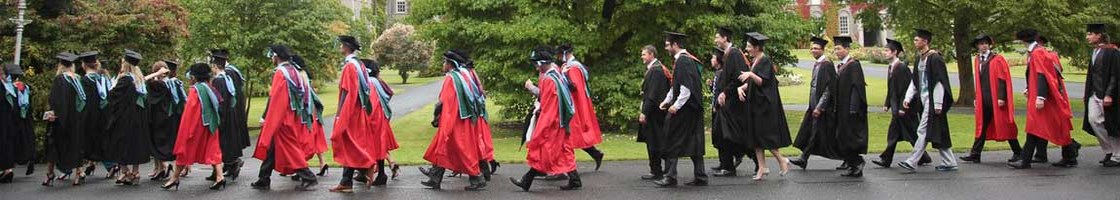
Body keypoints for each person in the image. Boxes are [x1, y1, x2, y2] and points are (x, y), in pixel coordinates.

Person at [510, 46, 581, 191]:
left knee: (544, 151)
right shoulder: (557, 74)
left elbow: (549, 107)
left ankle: (526, 181)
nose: (536, 68)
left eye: (536, 64)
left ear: (542, 63)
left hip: (553, 123)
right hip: (562, 121)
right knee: (563, 151)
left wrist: (541, 128)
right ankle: (575, 180)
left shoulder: (549, 79)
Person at [1009, 29, 1081, 169]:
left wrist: (1040, 96)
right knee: (1048, 125)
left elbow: (1042, 75)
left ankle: (1026, 160)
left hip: (1044, 97)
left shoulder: (1038, 53)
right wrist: (1030, 88)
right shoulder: (1038, 52)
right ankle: (1070, 154)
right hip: (1043, 95)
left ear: (1023, 41)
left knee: (1037, 126)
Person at [251, 45, 318, 190]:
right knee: (272, 148)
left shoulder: (281, 74)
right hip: (291, 115)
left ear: (276, 56)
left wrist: (270, 120)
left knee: (290, 148)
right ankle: (263, 178)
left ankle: (308, 176)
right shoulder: (293, 70)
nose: (271, 58)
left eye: (271, 55)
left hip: (282, 118)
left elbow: (277, 99)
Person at [419, 49, 486, 191]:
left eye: (445, 62)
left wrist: (439, 119)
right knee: (443, 147)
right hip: (465, 118)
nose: (443, 64)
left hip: (455, 120)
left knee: (460, 149)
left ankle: (477, 177)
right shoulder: (464, 75)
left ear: (450, 64)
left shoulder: (451, 78)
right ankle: (435, 178)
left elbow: (444, 102)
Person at [329, 35, 385, 193]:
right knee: (351, 144)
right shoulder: (359, 64)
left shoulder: (349, 66)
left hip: (350, 111)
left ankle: (367, 163)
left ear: (346, 47)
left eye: (341, 45)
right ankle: (346, 181)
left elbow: (346, 91)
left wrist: (340, 113)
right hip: (359, 110)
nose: (340, 47)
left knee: (348, 142)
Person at [898, 29, 958, 173]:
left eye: (917, 40)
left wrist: (938, 104)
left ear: (925, 41)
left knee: (923, 129)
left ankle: (912, 161)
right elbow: (915, 81)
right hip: (924, 100)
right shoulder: (919, 58)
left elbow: (939, 82)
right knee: (939, 131)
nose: (915, 42)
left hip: (933, 100)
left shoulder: (935, 58)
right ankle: (950, 162)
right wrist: (908, 97)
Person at [735, 32, 792, 180]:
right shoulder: (756, 61)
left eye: (749, 46)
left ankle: (782, 160)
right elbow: (754, 82)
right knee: (755, 138)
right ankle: (762, 168)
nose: (746, 49)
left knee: (767, 136)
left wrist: (750, 75)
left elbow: (763, 82)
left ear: (757, 47)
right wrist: (742, 88)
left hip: (765, 107)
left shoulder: (765, 61)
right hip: (755, 105)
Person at [162, 63, 227, 190]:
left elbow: (190, 112)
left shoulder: (195, 90)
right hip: (211, 124)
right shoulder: (209, 87)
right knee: (213, 150)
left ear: (194, 76)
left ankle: (174, 178)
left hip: (198, 126)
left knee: (184, 150)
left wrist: (186, 131)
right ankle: (220, 177)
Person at [655, 31, 708, 187]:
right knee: (694, 141)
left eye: (667, 45)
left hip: (685, 110)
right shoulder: (683, 61)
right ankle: (700, 176)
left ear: (675, 45)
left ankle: (670, 177)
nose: (666, 48)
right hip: (691, 110)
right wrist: (666, 100)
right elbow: (675, 86)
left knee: (671, 139)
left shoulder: (684, 61)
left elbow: (686, 89)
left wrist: (675, 106)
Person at [959, 34, 1022, 163]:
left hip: (996, 98)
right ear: (977, 46)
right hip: (984, 99)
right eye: (981, 43)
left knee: (1005, 124)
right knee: (982, 126)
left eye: (986, 43)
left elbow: (1002, 79)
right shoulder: (977, 60)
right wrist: (977, 97)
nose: (984, 45)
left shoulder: (997, 59)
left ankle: (1018, 152)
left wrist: (1001, 97)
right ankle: (975, 154)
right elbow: (979, 80)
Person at [871, 39, 931, 168]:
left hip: (905, 109)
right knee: (907, 133)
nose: (884, 53)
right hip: (896, 108)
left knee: (904, 133)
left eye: (887, 51)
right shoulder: (891, 67)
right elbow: (891, 88)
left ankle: (886, 159)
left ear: (895, 52)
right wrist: (887, 103)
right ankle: (923, 157)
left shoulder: (902, 68)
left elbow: (907, 89)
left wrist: (902, 108)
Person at [790, 37, 845, 170]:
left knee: (820, 134)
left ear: (822, 50)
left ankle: (850, 158)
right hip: (814, 106)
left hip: (822, 108)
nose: (813, 50)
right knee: (813, 132)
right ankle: (804, 158)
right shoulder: (818, 64)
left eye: (816, 48)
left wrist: (820, 107)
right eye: (812, 48)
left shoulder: (826, 64)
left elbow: (828, 89)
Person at [555, 44, 607, 170]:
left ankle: (564, 168)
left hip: (574, 105)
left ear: (565, 53)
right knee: (575, 135)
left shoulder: (573, 68)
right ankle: (595, 154)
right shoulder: (572, 67)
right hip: (575, 104)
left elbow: (575, 88)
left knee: (568, 135)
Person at [106, 49, 153, 185]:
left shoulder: (125, 79)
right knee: (135, 143)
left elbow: (113, 96)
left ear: (125, 64)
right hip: (139, 117)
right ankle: (135, 172)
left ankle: (125, 171)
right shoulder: (139, 80)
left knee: (120, 143)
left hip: (125, 118)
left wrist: (113, 87)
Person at [710, 27, 751, 177]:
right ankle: (727, 165)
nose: (716, 40)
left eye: (717, 37)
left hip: (733, 102)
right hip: (726, 102)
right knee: (723, 134)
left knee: (733, 134)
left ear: (725, 38)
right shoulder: (728, 54)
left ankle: (754, 161)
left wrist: (725, 92)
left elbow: (738, 78)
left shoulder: (734, 54)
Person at [42, 52, 86, 186]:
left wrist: (54, 115)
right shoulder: (77, 79)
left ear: (61, 65)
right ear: (72, 65)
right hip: (76, 118)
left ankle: (49, 174)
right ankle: (79, 172)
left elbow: (55, 100)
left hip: (61, 118)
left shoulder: (60, 79)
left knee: (54, 145)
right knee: (75, 144)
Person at [828, 36, 870, 177]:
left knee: (848, 138)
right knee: (842, 137)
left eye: (839, 48)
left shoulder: (853, 65)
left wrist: (853, 107)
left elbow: (856, 88)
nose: (836, 51)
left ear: (847, 49)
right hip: (842, 108)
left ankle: (857, 162)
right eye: (835, 49)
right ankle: (853, 165)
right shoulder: (842, 66)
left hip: (850, 110)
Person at [207, 49, 251, 180]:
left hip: (227, 111)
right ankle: (226, 167)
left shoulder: (227, 74)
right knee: (226, 141)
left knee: (224, 142)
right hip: (231, 110)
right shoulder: (229, 74)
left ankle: (231, 164)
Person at [1082, 23, 1120, 167]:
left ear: (1099, 35)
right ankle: (1109, 150)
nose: (1088, 37)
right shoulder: (1095, 51)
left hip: (1107, 95)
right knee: (1094, 120)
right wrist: (1087, 92)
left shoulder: (1113, 52)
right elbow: (1092, 75)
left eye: (1090, 34)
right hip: (1094, 93)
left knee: (1111, 123)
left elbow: (1115, 75)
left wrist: (1109, 94)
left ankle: (1117, 155)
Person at [78, 51, 117, 182]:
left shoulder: (84, 81)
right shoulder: (103, 79)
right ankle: (109, 165)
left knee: (86, 140)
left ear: (84, 65)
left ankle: (81, 168)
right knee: (103, 139)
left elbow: (83, 100)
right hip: (105, 114)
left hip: (90, 115)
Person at [145, 60, 181, 181]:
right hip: (170, 117)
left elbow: (142, 81)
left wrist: (155, 74)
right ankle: (161, 168)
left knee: (157, 143)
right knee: (162, 143)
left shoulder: (158, 85)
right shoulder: (172, 83)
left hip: (158, 118)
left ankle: (163, 167)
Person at [638, 45, 670, 180]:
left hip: (655, 114)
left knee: (655, 142)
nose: (642, 57)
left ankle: (657, 170)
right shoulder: (656, 68)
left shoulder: (655, 70)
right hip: (656, 112)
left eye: (644, 54)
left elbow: (652, 94)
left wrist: (644, 112)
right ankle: (658, 170)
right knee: (655, 141)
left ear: (651, 54)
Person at [2, 62, 37, 183]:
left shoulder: (8, 88)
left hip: (11, 120)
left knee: (8, 144)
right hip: (24, 121)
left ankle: (7, 169)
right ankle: (9, 170)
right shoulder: (24, 87)